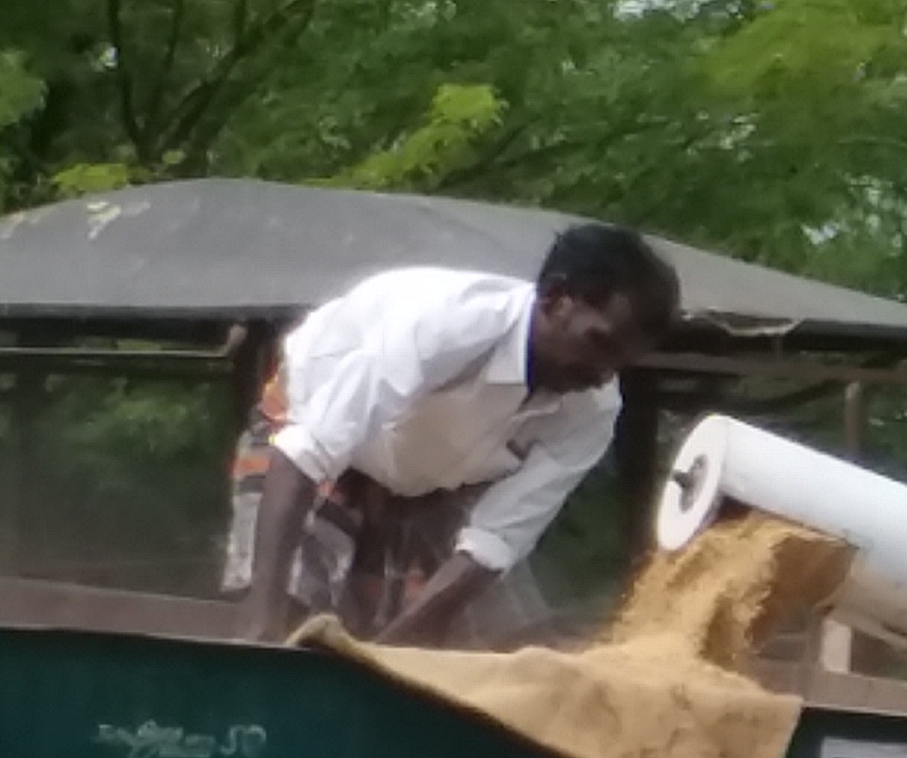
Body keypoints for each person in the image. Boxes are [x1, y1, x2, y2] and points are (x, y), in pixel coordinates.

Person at [224, 224, 683, 647]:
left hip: (433, 487)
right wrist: (262, 627)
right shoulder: (444, 324)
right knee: (290, 614)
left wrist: (387, 661)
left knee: (507, 643)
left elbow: (495, 539)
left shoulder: (595, 410)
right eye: (598, 343)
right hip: (310, 439)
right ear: (556, 298)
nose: (603, 375)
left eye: (620, 363)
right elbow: (307, 453)